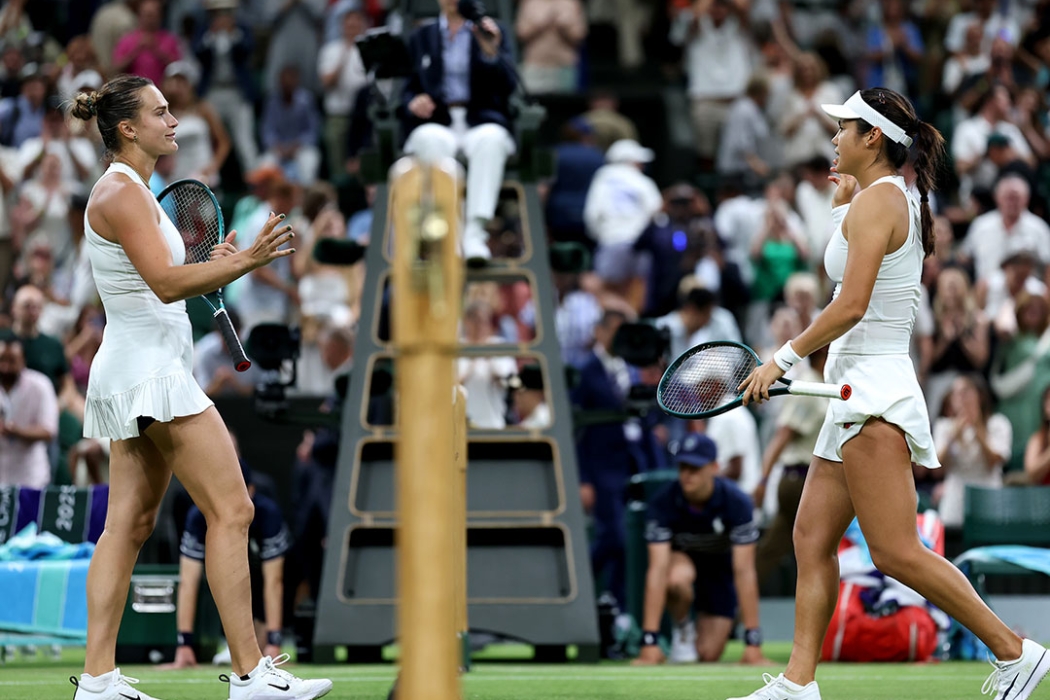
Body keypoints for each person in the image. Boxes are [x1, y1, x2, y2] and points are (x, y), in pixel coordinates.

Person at [735, 88, 1049, 700]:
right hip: (853, 387)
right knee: (810, 538)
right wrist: (841, 198)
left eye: (843, 128)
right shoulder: (873, 199)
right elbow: (851, 275)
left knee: (897, 552)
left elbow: (851, 306)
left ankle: (1017, 652)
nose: (833, 138)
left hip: (872, 391)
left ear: (871, 137)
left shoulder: (880, 203)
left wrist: (782, 358)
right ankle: (798, 684)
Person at [67, 75, 331, 700]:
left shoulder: (134, 190)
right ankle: (249, 675)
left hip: (138, 369)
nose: (173, 121)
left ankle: (99, 682)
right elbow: (163, 283)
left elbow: (168, 277)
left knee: (127, 525)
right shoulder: (121, 193)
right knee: (233, 509)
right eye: (160, 112)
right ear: (127, 128)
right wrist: (244, 263)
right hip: (150, 373)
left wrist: (218, 264)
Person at [632, 432, 770, 666]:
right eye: (683, 467)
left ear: (715, 468)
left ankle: (700, 634)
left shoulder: (737, 502)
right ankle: (683, 628)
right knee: (676, 578)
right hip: (682, 564)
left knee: (708, 655)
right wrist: (649, 642)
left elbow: (744, 571)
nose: (687, 474)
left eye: (695, 467)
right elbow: (657, 570)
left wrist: (752, 643)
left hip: (719, 571)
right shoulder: (663, 502)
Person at [400, 0, 518, 262]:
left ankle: (475, 234)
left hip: (480, 119)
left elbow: (510, 86)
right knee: (430, 139)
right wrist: (414, 101)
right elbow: (406, 88)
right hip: (438, 120)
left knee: (492, 139)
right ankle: (450, 234)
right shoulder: (421, 35)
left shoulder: (491, 31)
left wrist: (491, 53)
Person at [163, 459, 291, 670]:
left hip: (261, 579)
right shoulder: (197, 517)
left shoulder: (268, 515)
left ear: (250, 490)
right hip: (224, 583)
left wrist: (273, 642)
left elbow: (274, 581)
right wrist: (184, 644)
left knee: (261, 647)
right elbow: (188, 581)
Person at [0, 337, 57, 489]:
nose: (5, 367)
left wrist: (16, 431)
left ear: (23, 360)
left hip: (31, 477)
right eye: (1, 360)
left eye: (11, 361)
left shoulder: (40, 385)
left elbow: (48, 431)